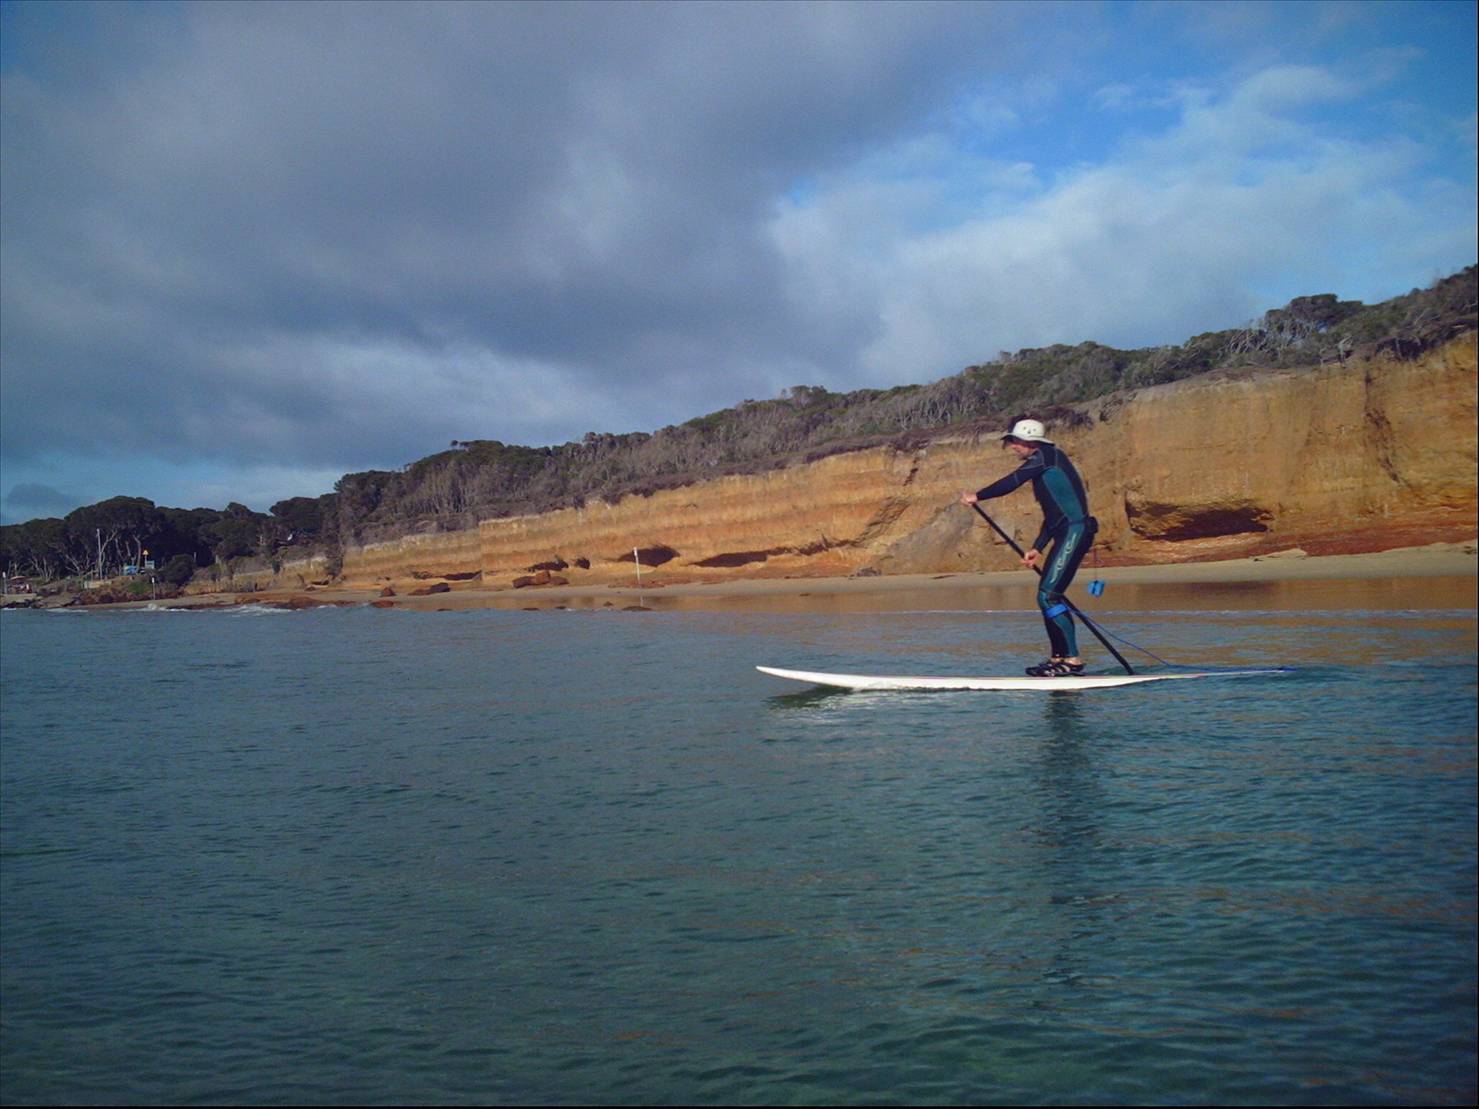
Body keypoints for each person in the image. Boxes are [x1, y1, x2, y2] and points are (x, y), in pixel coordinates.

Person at [959, 417, 1098, 677]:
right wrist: (1038, 547)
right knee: (1046, 595)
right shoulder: (1044, 463)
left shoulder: (1046, 456)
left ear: (1029, 442)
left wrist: (977, 496)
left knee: (1049, 595)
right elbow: (1053, 514)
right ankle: (1058, 658)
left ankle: (1073, 660)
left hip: (1076, 532)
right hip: (1064, 532)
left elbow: (1013, 481)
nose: (1012, 447)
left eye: (1015, 442)